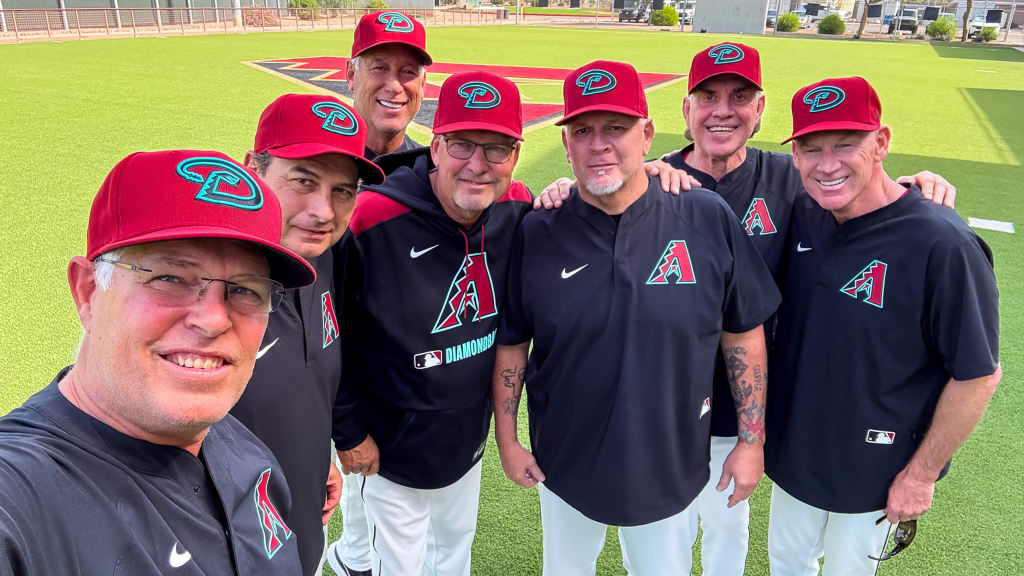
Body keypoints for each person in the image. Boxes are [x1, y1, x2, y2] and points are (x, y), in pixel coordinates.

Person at [602, 41, 959, 576]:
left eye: (740, 96)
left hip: (748, 407)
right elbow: (593, 199)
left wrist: (916, 186)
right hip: (663, 403)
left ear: (761, 108)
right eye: (708, 96)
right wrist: (563, 186)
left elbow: (855, 184)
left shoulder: (791, 181)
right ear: (686, 110)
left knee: (727, 527)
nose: (723, 110)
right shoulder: (648, 180)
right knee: (661, 533)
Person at [491, 60, 781, 576]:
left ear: (647, 134)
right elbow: (513, 343)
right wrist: (508, 441)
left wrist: (751, 441)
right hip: (563, 459)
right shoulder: (538, 229)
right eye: (582, 131)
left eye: (616, 128)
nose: (598, 144)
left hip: (668, 463)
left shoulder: (707, 216)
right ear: (566, 145)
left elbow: (743, 333)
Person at [0, 150, 315, 575]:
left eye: (245, 290)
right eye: (169, 278)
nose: (213, 318)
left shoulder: (246, 453)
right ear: (88, 291)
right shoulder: (21, 493)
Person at [765, 76, 1001, 575]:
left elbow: (978, 374)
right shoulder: (804, 212)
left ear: (883, 142)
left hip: (878, 466)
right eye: (810, 149)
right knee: (787, 564)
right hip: (795, 451)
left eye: (846, 144)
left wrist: (923, 474)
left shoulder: (943, 243)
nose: (827, 164)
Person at [331, 71, 532, 576]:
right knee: (398, 566)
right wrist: (348, 430)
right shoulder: (369, 216)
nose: (478, 166)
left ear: (516, 155)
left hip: (466, 437)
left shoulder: (519, 206)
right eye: (463, 144)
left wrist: (664, 176)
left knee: (454, 554)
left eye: (497, 149)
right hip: (388, 447)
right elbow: (326, 331)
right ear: (436, 146)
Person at [228, 94, 384, 576]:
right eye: (303, 180)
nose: (323, 211)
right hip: (226, 541)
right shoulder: (206, 283)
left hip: (301, 520)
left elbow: (309, 378)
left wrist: (316, 465)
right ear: (254, 168)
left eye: (343, 190)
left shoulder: (327, 256)